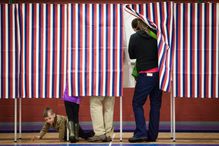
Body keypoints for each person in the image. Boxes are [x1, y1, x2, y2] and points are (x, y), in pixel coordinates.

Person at [128, 18, 162, 143]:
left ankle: (141, 133)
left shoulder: (134, 37)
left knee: (137, 103)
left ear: (135, 27)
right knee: (155, 105)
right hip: (158, 75)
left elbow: (132, 55)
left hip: (145, 75)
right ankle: (152, 135)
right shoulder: (156, 35)